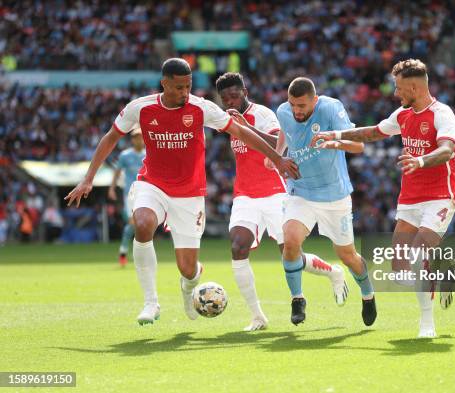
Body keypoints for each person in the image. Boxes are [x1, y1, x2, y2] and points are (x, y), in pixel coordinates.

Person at [65, 58, 299, 325]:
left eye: (188, 86)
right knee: (142, 224)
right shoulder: (140, 108)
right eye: (178, 87)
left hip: (189, 194)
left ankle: (189, 285)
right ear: (164, 83)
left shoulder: (201, 108)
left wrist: (277, 159)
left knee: (188, 270)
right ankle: (151, 303)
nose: (185, 93)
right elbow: (110, 137)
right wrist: (88, 178)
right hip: (152, 183)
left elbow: (241, 132)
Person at [312, 59, 455, 338]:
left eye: (399, 88)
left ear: (415, 87)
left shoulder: (442, 114)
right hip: (410, 198)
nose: (395, 94)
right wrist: (337, 134)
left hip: (440, 196)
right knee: (399, 269)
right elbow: (373, 133)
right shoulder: (402, 115)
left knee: (418, 257)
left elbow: (447, 150)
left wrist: (421, 160)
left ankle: (426, 324)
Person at [215, 72, 348, 331]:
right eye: (225, 98)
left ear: (245, 92)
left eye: (234, 95)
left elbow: (281, 147)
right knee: (238, 246)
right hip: (245, 194)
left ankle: (333, 272)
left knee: (290, 253)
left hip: (276, 192)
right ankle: (257, 317)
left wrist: (245, 126)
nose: (230, 101)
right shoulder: (225, 118)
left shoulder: (263, 115)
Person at [269, 77, 377, 326]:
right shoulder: (284, 112)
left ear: (314, 101)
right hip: (301, 191)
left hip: (333, 194)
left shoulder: (330, 108)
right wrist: (277, 156)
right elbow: (285, 132)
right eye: (292, 104)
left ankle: (368, 294)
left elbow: (358, 145)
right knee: (290, 242)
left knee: (347, 255)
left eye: (302, 106)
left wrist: (332, 142)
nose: (296, 110)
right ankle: (297, 299)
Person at [108, 130, 146, 267]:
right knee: (132, 223)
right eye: (136, 138)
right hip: (129, 195)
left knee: (142, 226)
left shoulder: (148, 155)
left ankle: (135, 254)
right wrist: (112, 188)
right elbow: (117, 172)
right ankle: (124, 252)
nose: (139, 140)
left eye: (141, 137)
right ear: (132, 140)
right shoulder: (125, 155)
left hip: (145, 194)